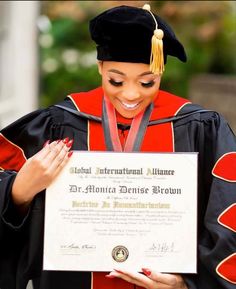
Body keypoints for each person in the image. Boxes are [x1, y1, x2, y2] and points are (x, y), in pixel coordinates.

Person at [0, 3, 236, 289]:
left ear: (160, 73)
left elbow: (227, 219)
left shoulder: (201, 128)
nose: (131, 94)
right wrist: (19, 191)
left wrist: (186, 284)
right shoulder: (58, 123)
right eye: (116, 80)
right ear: (100, 67)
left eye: (147, 82)